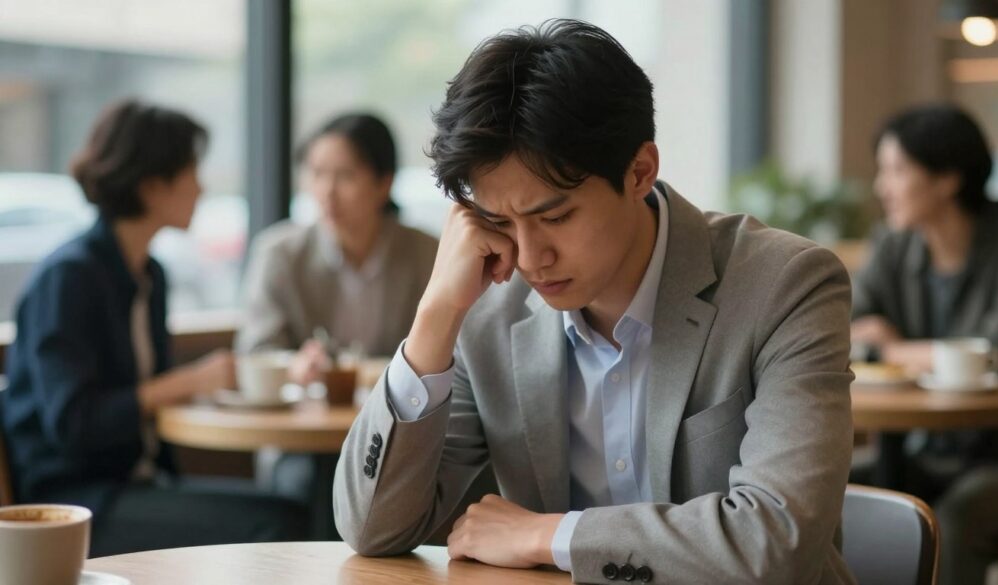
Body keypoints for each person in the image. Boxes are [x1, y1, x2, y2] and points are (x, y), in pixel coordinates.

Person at [334, 20, 855, 584]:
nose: (530, 257)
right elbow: (372, 528)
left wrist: (550, 535)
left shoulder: (785, 285)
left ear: (640, 172)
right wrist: (435, 314)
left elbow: (776, 544)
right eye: (498, 221)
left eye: (555, 217)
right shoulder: (487, 305)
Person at [0, 100, 307, 556]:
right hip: (74, 503)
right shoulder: (70, 278)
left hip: (137, 484)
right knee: (281, 521)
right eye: (191, 171)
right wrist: (190, 381)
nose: (201, 187)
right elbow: (74, 423)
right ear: (151, 185)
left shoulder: (150, 273)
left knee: (293, 507)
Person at [851, 104, 998, 585]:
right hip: (922, 449)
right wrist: (893, 345)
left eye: (897, 170)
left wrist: (893, 349)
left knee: (951, 522)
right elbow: (849, 324)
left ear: (948, 179)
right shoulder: (894, 244)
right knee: (825, 495)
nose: (881, 187)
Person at [236, 113, 438, 384]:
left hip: (399, 404)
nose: (327, 191)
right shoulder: (280, 254)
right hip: (308, 406)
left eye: (345, 176)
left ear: (384, 183)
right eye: (317, 174)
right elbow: (256, 351)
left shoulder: (426, 253)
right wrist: (295, 365)